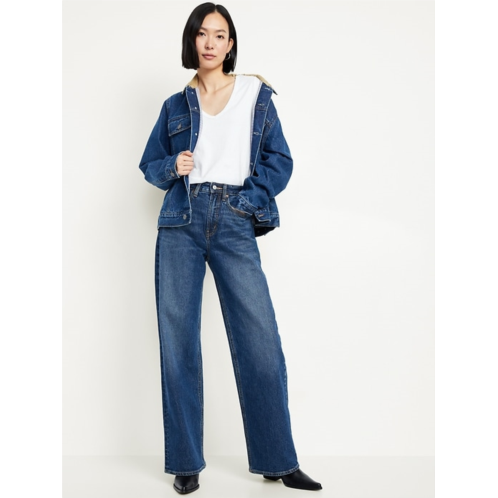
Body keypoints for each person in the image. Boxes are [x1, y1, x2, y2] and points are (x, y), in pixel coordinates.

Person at [138, 3, 322, 495]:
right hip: (181, 220)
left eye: (220, 35)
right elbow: (149, 163)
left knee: (260, 341)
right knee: (178, 343)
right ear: (192, 41)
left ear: (231, 44)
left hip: (235, 217)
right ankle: (185, 461)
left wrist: (247, 202)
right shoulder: (175, 105)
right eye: (202, 33)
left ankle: (277, 460)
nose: (210, 42)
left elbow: (279, 159)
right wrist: (171, 166)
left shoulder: (255, 95)